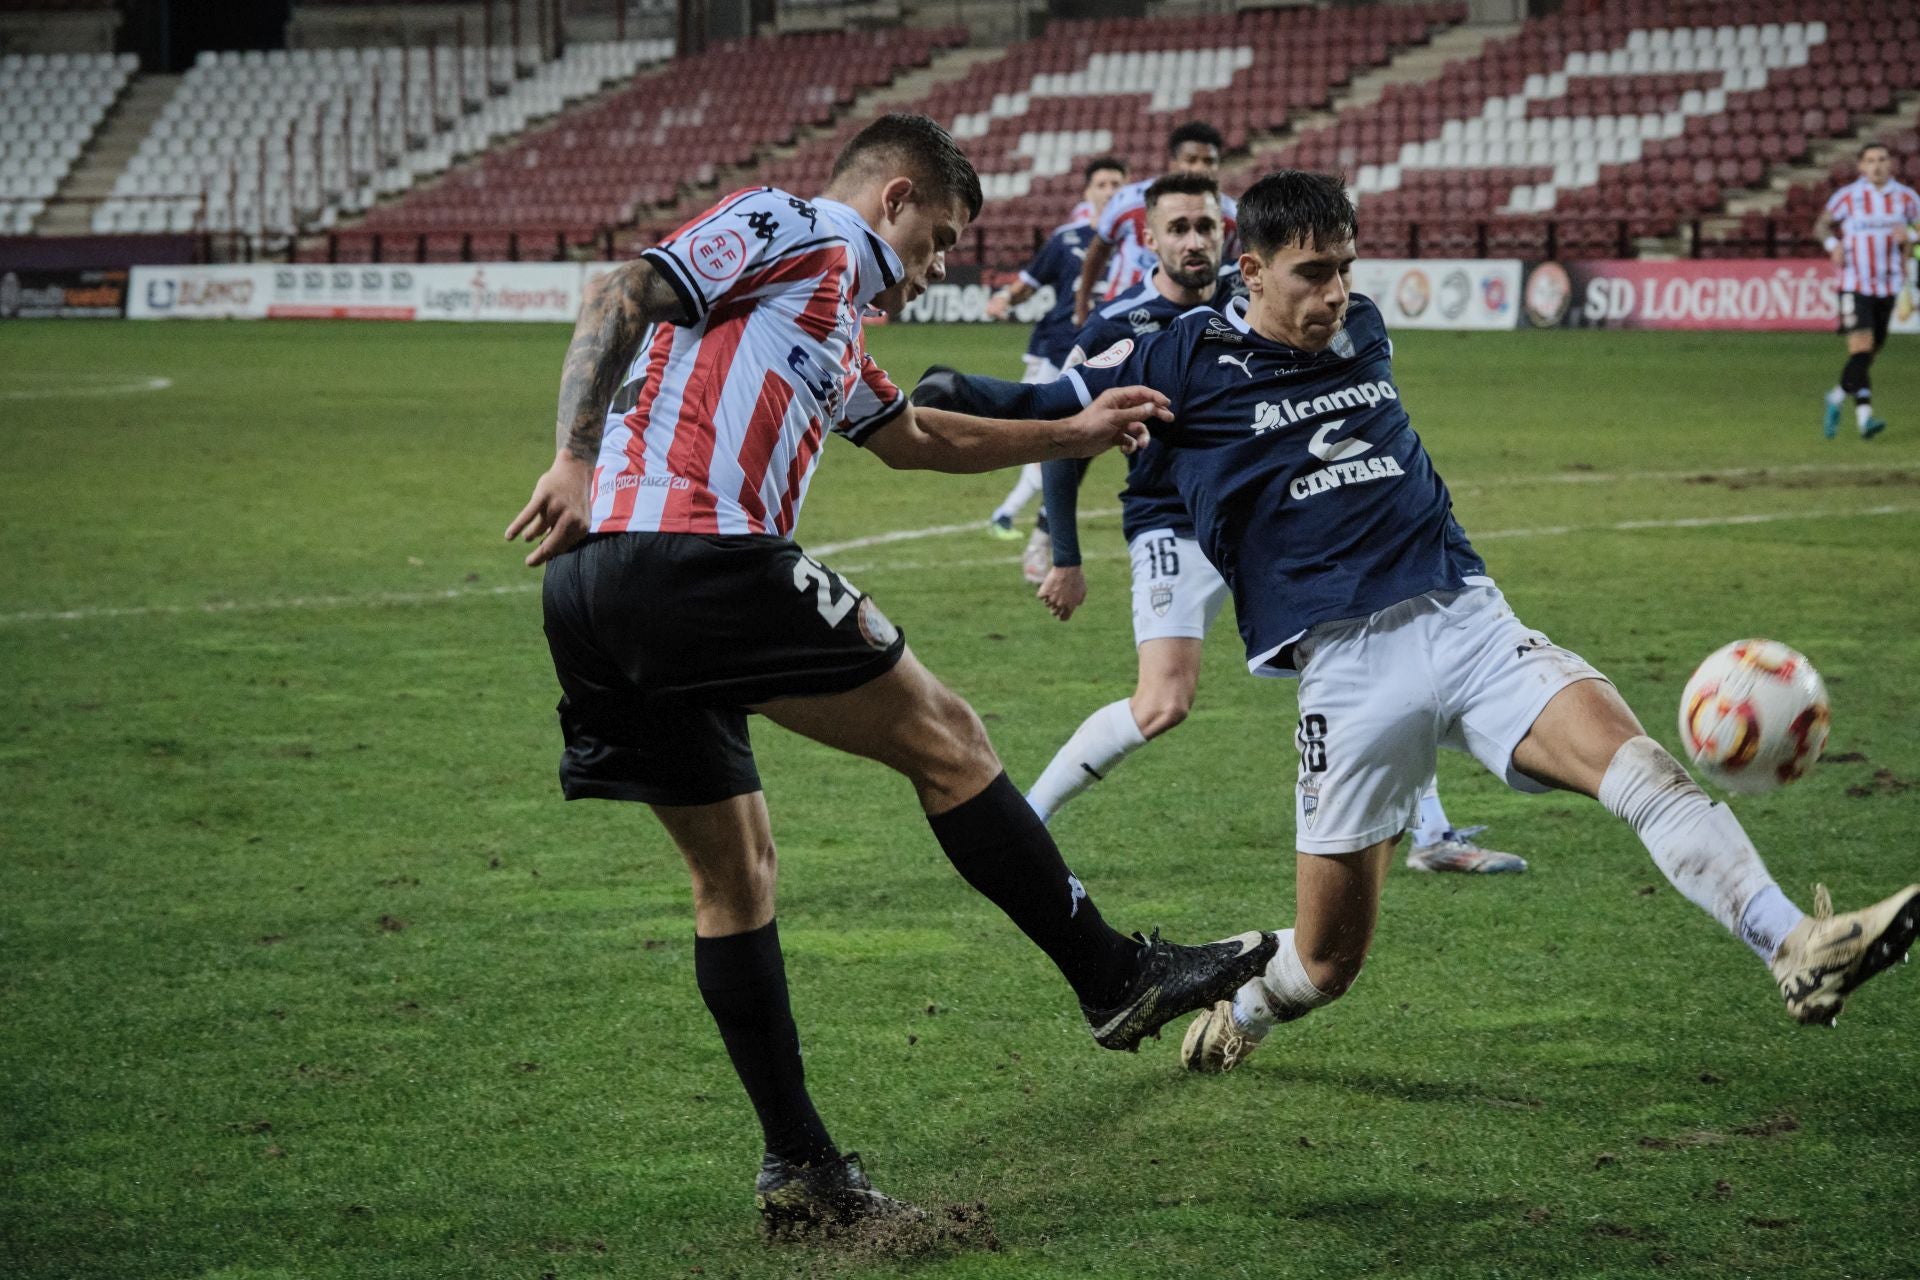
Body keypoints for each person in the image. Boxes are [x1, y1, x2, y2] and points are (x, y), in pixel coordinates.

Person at [923, 170, 1920, 1080]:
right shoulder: (1169, 358)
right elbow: (1027, 405)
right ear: (1252, 268)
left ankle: (1795, 944)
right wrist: (932, 395)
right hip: (1348, 672)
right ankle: (1248, 1004)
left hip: (1469, 613)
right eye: (1312, 274)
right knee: (1324, 962)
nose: (1335, 293)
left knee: (1640, 766)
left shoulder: (1360, 331)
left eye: (1346, 270)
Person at [501, 114, 1277, 1237]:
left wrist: (1075, 428)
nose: (940, 266)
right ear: (895, 197)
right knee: (949, 738)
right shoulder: (797, 229)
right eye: (941, 240)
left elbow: (915, 436)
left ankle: (801, 1170)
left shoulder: (827, 322)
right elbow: (621, 286)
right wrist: (573, 452)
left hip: (594, 595)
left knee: (738, 875)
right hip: (694, 553)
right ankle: (1114, 977)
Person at [977, 175, 1530, 875]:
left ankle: (1430, 836)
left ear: (1232, 243)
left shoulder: (1268, 310)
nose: (1193, 241)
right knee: (1163, 702)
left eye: (1206, 226)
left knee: (1382, 629)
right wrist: (1064, 552)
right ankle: (1025, 821)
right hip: (1174, 527)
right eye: (1177, 228)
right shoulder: (1121, 329)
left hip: (1276, 522)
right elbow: (1063, 432)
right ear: (1149, 238)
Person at [981, 155, 1129, 548]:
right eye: (1102, 184)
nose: (1110, 191)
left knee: (1072, 440)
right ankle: (1008, 512)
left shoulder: (1136, 245)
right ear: (1088, 192)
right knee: (1046, 436)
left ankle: (1018, 514)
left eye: (1118, 184)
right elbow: (1029, 282)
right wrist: (1004, 301)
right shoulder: (1067, 239)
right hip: (1056, 353)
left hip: (1106, 358)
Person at [1072, 121, 1237, 327]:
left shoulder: (1230, 216)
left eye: (1209, 161)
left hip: (1193, 319)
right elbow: (1099, 249)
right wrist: (1081, 302)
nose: (1200, 168)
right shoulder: (1128, 201)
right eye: (1191, 160)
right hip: (1125, 316)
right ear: (1174, 163)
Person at [1813, 141, 1918, 440]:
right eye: (1870, 160)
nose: (1877, 165)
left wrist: (1910, 233)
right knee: (1860, 350)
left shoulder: (1907, 199)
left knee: (1868, 355)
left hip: (1889, 285)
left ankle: (1852, 409)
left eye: (1882, 159)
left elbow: (1919, 231)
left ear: (1891, 164)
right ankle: (1851, 409)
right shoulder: (1847, 197)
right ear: (1861, 166)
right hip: (1854, 284)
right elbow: (1821, 226)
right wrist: (1833, 245)